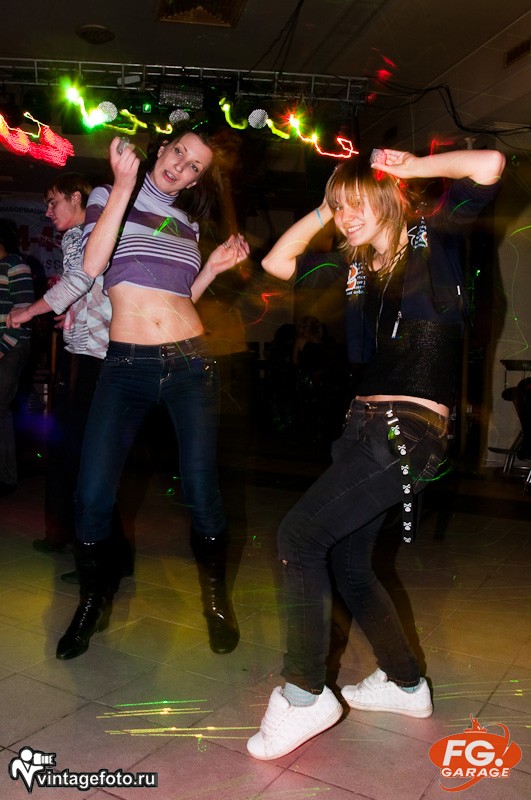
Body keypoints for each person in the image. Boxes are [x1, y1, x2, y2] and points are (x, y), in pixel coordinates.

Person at [247, 146, 505, 760]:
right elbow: (277, 262)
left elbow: (490, 165)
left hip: (407, 431)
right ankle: (405, 684)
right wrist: (328, 206)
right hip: (360, 429)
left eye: (358, 203)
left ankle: (305, 695)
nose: (347, 216)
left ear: (389, 196)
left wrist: (407, 169)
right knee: (350, 562)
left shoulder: (432, 238)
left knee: (300, 537)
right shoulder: (359, 265)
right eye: (340, 208)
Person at [55, 128, 249, 661]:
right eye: (179, 152)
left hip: (191, 364)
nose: (182, 166)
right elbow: (92, 266)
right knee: (92, 494)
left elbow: (180, 296)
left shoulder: (187, 224)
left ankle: (216, 601)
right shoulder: (107, 194)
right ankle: (92, 601)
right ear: (162, 149)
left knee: (201, 490)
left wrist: (212, 267)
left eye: (195, 167)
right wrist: (122, 185)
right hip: (126, 367)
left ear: (196, 180)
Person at [7, 173, 131, 581]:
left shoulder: (88, 231)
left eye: (53, 202)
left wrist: (29, 311)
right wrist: (73, 313)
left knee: (87, 458)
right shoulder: (79, 235)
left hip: (99, 359)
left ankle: (105, 554)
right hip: (86, 354)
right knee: (70, 452)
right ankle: (71, 537)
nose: (47, 211)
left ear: (77, 197)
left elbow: (83, 279)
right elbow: (92, 289)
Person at [0, 219, 34, 493]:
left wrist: (2, 348)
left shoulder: (16, 265)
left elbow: (23, 312)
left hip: (12, 346)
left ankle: (7, 478)